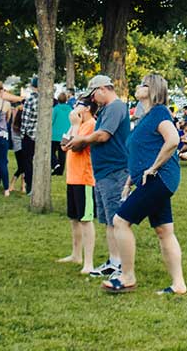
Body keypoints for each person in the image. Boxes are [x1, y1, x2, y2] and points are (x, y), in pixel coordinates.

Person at [103, 74, 186, 295]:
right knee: (164, 230)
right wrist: (130, 180)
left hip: (159, 179)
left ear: (152, 89)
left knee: (120, 221)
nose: (138, 87)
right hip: (152, 180)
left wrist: (154, 167)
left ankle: (127, 276)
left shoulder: (159, 112)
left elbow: (173, 140)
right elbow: (140, 152)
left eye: (143, 84)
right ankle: (179, 285)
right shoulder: (146, 117)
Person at [62, 74, 128, 279]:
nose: (93, 100)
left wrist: (81, 139)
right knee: (109, 220)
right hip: (103, 172)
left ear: (102, 89)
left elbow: (103, 135)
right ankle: (113, 261)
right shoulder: (108, 109)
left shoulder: (116, 107)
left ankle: (120, 265)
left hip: (114, 170)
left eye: (93, 94)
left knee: (116, 220)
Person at [58, 97, 96, 274]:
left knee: (85, 220)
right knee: (74, 218)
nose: (74, 109)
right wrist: (73, 125)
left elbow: (75, 146)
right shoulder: (76, 124)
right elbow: (64, 145)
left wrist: (75, 125)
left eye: (78, 105)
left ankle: (88, 262)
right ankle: (76, 254)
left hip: (85, 178)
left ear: (87, 108)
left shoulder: (91, 125)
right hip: (72, 177)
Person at [13, 77, 39, 196]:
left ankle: (30, 186)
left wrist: (23, 134)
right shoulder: (45, 100)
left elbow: (25, 119)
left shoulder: (30, 100)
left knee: (27, 162)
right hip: (39, 135)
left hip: (29, 135)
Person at [51, 91, 72, 175]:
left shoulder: (55, 109)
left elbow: (52, 120)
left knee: (51, 152)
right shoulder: (70, 109)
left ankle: (56, 164)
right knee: (62, 154)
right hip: (66, 134)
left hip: (55, 134)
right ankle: (60, 171)